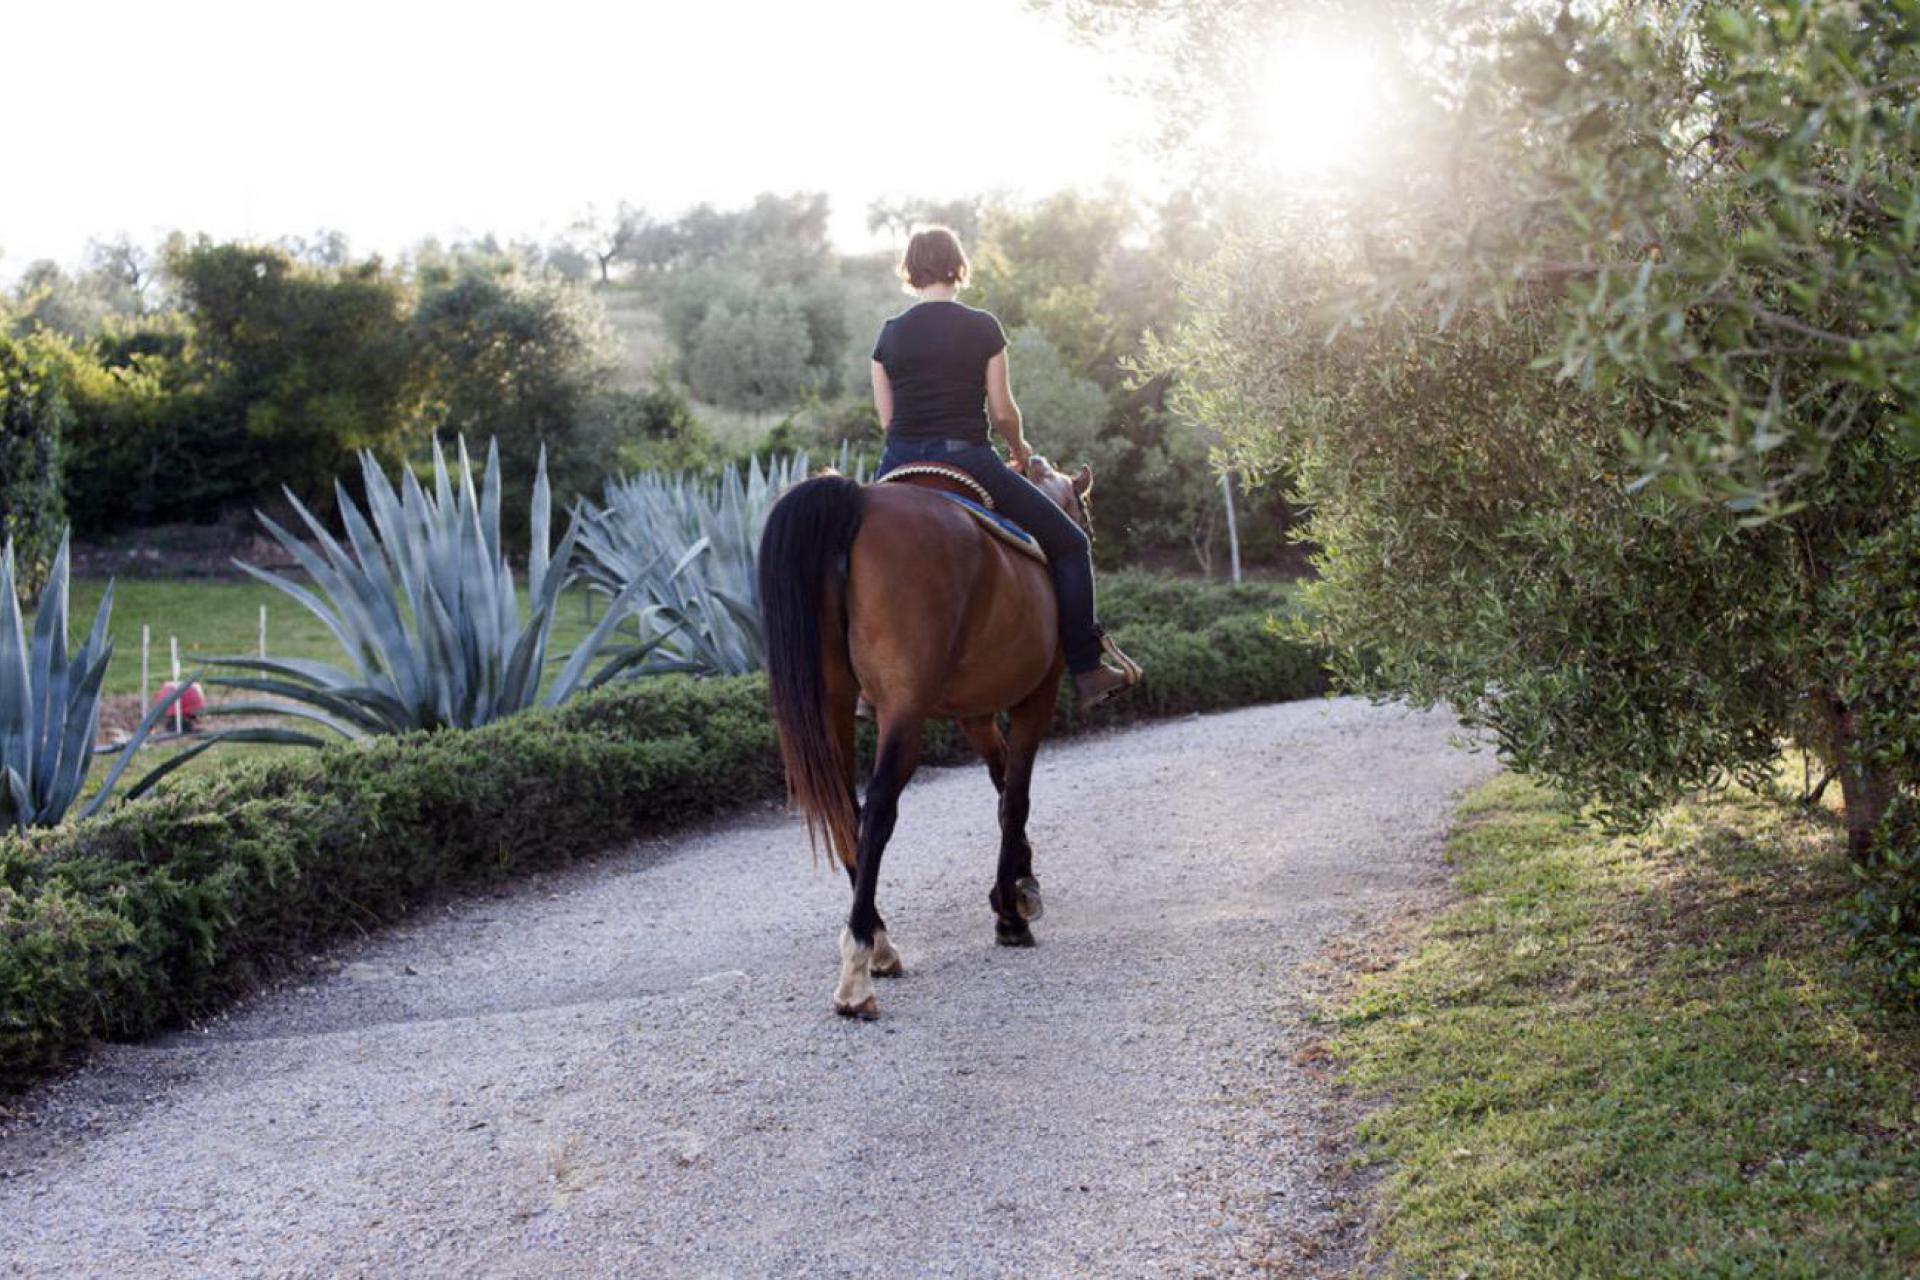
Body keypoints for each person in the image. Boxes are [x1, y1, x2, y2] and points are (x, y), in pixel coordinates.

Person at [870, 225, 1136, 711]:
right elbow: (1003, 412)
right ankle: (1087, 667)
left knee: (855, 552)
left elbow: (887, 419)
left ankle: (867, 685)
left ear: (910, 271)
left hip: (899, 461)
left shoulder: (888, 335)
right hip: (966, 457)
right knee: (1072, 544)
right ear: (958, 266)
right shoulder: (982, 327)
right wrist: (1019, 448)